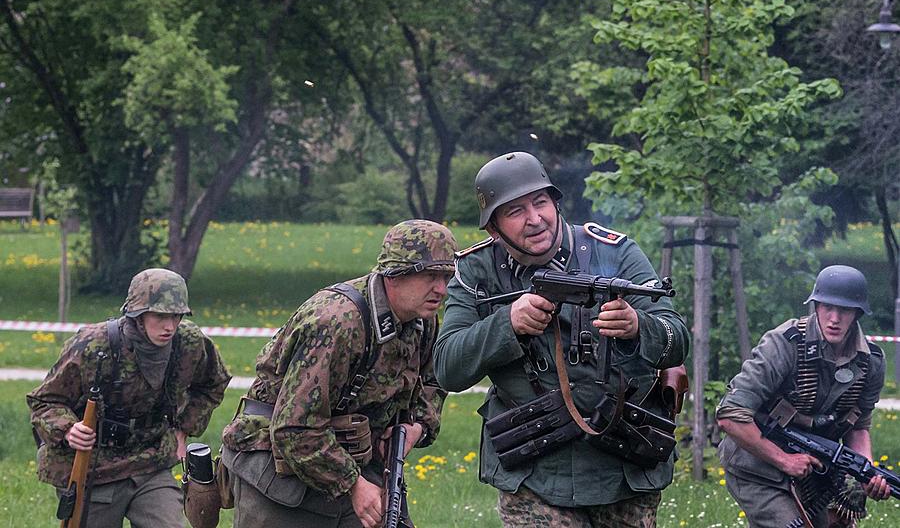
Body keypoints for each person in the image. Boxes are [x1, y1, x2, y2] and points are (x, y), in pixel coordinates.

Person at [433, 151, 689, 527]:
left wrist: (638, 326)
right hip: (535, 471)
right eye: (515, 211)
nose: (535, 219)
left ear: (555, 202)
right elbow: (447, 368)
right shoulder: (477, 271)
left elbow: (676, 338)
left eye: (540, 203)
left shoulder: (616, 253)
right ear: (494, 229)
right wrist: (507, 323)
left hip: (623, 463)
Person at [221, 219, 458, 528]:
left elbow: (434, 378)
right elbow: (295, 428)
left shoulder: (422, 319)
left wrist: (418, 427)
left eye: (446, 277)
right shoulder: (338, 322)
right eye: (429, 276)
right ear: (394, 275)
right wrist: (353, 485)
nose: (441, 289)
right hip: (282, 473)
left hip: (358, 461)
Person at [27, 267, 231, 528]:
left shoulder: (189, 342)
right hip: (95, 469)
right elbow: (45, 401)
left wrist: (184, 429)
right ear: (137, 314)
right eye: (160, 316)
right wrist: (69, 429)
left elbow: (213, 383)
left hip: (152, 464)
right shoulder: (93, 345)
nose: (170, 326)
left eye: (177, 316)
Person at [717, 264, 891, 527]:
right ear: (815, 306)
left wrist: (866, 472)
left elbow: (858, 426)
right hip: (757, 465)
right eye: (826, 307)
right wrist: (784, 460)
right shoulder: (784, 344)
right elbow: (730, 416)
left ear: (857, 313)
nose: (834, 318)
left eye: (844, 310)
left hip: (812, 471)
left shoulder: (871, 362)